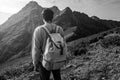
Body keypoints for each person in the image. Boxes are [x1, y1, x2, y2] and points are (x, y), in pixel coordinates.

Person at [32, 8, 64, 80]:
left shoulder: (38, 30)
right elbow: (62, 44)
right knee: (57, 77)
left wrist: (35, 63)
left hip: (44, 61)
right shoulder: (59, 29)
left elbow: (36, 49)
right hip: (57, 58)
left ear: (43, 17)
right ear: (52, 17)